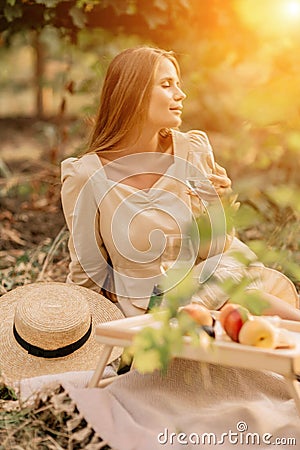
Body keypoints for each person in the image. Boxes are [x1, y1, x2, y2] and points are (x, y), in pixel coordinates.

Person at [61, 46, 300, 321]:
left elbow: (215, 250)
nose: (180, 94)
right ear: (133, 94)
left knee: (240, 298)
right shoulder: (86, 176)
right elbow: (87, 272)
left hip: (212, 295)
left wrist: (217, 205)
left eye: (178, 83)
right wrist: (84, 337)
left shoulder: (192, 150)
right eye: (166, 84)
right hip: (149, 316)